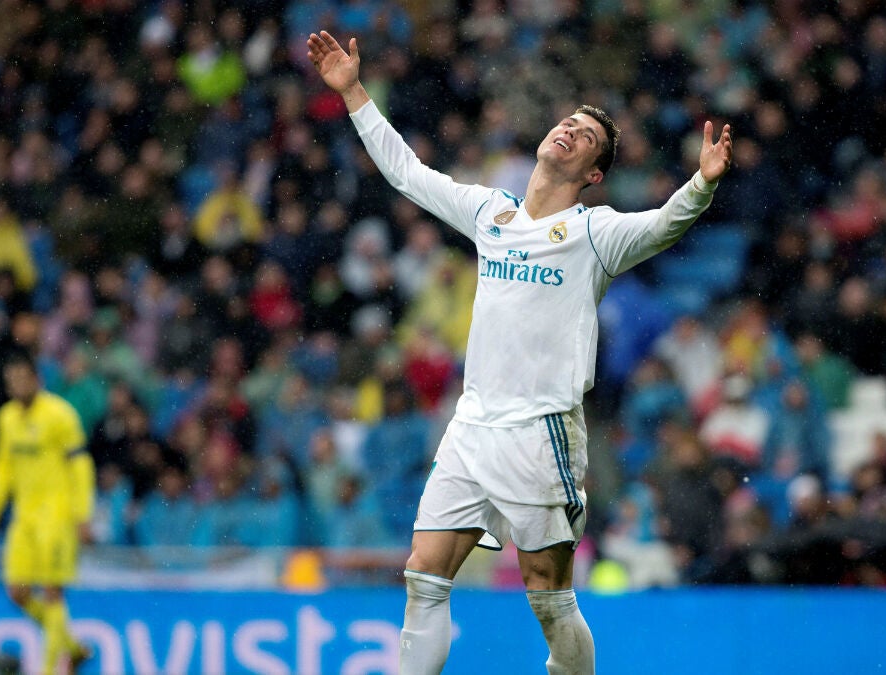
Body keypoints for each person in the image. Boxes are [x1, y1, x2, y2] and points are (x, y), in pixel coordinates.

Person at [307, 29, 733, 675]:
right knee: (423, 575)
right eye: (567, 123)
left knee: (548, 597)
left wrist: (701, 184)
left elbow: (662, 224)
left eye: (585, 136)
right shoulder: (491, 213)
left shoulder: (594, 233)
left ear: (593, 173)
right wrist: (354, 92)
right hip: (472, 425)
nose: (569, 132)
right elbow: (408, 173)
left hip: (541, 431)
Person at [0, 353, 96, 674]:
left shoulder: (60, 415)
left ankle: (49, 669)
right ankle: (73, 648)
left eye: (22, 379)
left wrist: (83, 514)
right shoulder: (7, 418)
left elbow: (80, 465)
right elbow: (3, 469)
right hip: (24, 518)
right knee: (18, 593)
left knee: (52, 593)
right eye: (11, 381)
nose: (17, 386)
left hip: (57, 516)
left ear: (36, 380)